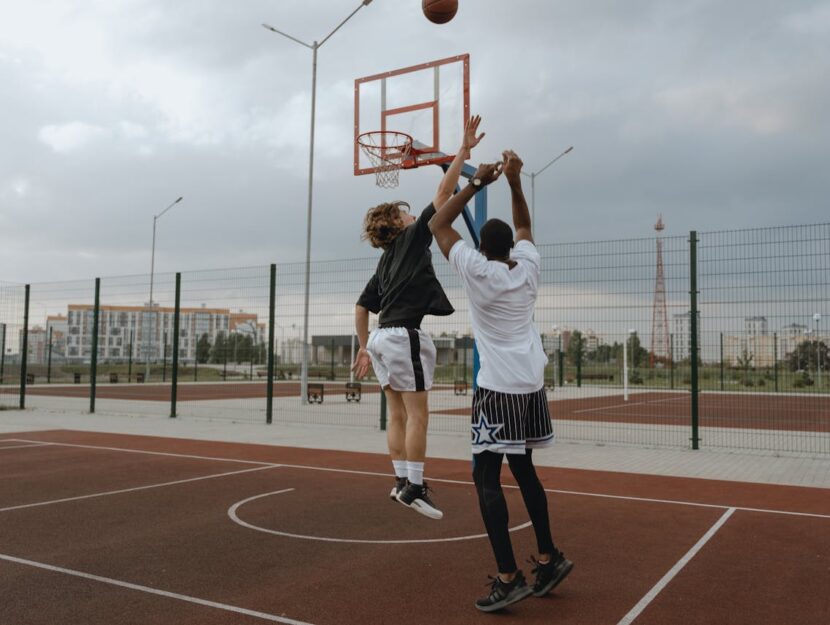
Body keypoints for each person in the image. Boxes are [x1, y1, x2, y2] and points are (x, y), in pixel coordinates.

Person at [429, 150, 573, 611]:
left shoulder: (476, 270)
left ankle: (509, 575)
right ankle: (548, 558)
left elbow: (437, 225)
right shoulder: (528, 267)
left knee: (484, 475)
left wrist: (474, 185)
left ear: (483, 248)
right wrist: (513, 181)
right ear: (510, 247)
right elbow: (526, 226)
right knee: (525, 469)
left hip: (497, 390)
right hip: (531, 386)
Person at [351, 116, 486, 520]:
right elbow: (445, 192)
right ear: (397, 225)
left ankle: (399, 481)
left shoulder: (384, 262)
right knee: (419, 415)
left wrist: (362, 347)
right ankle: (414, 485)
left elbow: (361, 306)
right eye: (405, 214)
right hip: (402, 335)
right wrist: (463, 152)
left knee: (396, 414)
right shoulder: (409, 240)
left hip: (379, 338)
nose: (411, 216)